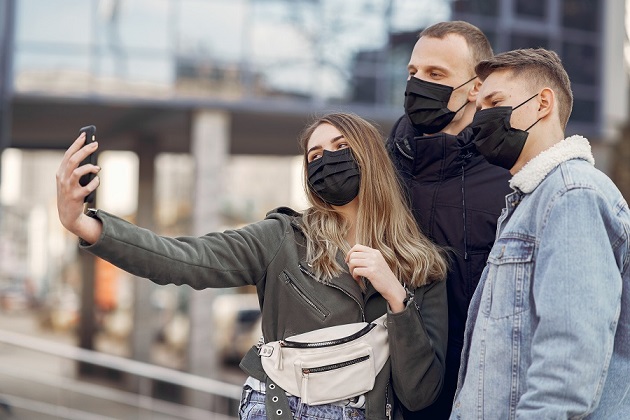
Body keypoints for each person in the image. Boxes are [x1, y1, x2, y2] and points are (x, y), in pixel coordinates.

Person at [57, 112, 450, 419]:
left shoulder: (422, 266)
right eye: (315, 156)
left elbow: (420, 394)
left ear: (371, 157)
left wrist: (397, 298)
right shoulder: (284, 238)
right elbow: (184, 259)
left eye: (340, 147)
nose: (327, 161)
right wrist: (85, 224)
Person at [451, 48, 630, 419]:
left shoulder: (572, 194)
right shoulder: (531, 202)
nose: (480, 119)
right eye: (479, 108)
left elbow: (568, 363)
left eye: (494, 102)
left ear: (543, 103)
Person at [386, 21, 512, 419]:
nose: (418, 84)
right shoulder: (383, 169)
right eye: (413, 72)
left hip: (476, 398)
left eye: (436, 74)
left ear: (476, 87)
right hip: (389, 396)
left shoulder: (509, 178)